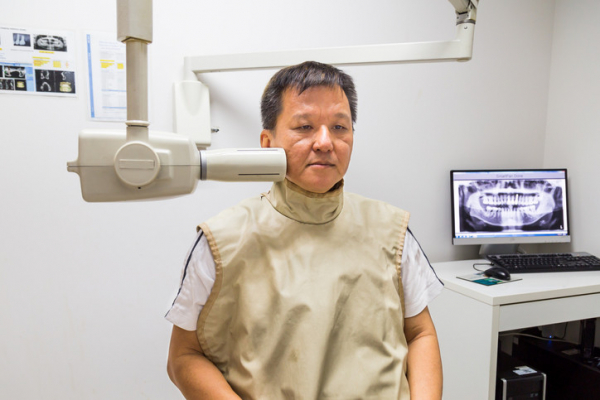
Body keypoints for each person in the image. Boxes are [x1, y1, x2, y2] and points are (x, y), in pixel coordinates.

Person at [166, 61, 444, 399]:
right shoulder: (222, 241)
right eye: (305, 126)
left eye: (340, 127)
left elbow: (420, 335)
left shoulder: (392, 231)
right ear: (267, 143)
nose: (325, 142)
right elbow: (183, 357)